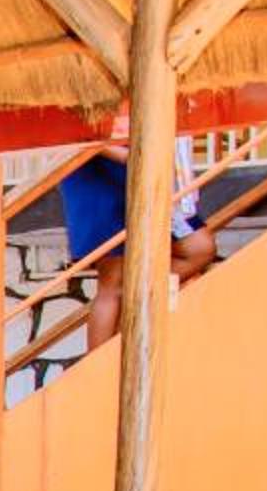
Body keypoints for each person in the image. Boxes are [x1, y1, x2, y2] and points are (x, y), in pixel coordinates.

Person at [59, 139, 212, 349]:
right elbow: (80, 134)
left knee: (199, 248)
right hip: (101, 174)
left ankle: (136, 298)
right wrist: (131, 156)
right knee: (112, 282)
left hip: (140, 171)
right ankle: (98, 363)